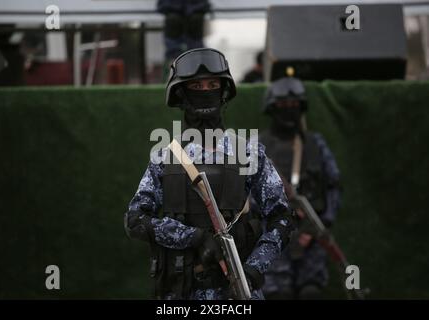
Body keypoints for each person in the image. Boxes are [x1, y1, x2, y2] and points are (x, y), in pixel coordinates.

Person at [124, 48, 296, 300]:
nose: (205, 91)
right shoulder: (164, 156)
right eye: (197, 85)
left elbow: (282, 219)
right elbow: (135, 220)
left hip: (237, 293)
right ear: (182, 93)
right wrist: (193, 238)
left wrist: (252, 270)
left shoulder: (248, 152)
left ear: (223, 92)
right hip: (180, 293)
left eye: (213, 84)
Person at [259, 68, 341, 300]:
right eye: (283, 106)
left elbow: (334, 186)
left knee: (311, 291)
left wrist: (320, 224)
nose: (289, 111)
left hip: (311, 236)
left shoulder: (315, 144)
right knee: (278, 294)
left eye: (294, 105)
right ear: (271, 108)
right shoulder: (256, 147)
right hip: (273, 238)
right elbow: (246, 196)